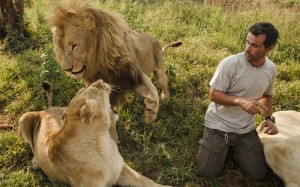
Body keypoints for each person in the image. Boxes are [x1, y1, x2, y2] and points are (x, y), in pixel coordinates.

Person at [196, 22, 279, 181]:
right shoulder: (229, 64)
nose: (247, 48)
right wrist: (240, 101)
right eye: (247, 42)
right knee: (208, 173)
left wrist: (268, 118)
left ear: (269, 48)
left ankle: (233, 148)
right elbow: (213, 95)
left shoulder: (270, 69)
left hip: (245, 130)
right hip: (218, 126)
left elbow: (267, 96)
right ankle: (217, 144)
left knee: (258, 175)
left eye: (254, 45)